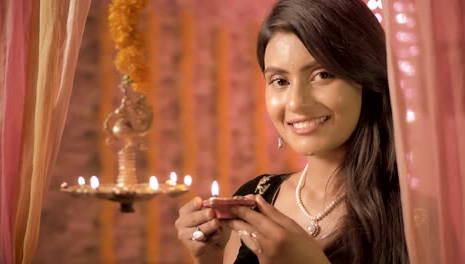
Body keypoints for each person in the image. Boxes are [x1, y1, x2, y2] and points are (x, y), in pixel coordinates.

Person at [175, 0, 409, 263]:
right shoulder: (256, 197)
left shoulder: (413, 210)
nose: (296, 102)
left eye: (322, 74)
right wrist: (209, 259)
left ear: (366, 78)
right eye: (280, 81)